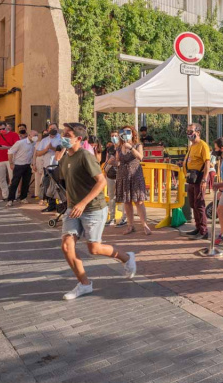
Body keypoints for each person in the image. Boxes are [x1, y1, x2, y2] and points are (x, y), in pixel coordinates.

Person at [57, 122, 137, 300]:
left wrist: (83, 203)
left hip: (92, 208)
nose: (63, 138)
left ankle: (126, 257)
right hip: (73, 208)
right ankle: (84, 284)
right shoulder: (66, 157)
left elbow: (100, 182)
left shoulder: (85, 156)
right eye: (63, 135)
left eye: (67, 136)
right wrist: (69, 205)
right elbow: (69, 182)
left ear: (78, 139)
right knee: (66, 246)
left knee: (94, 249)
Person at [112, 126, 153, 235]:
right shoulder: (119, 147)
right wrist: (113, 162)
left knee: (138, 201)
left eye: (128, 131)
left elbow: (140, 157)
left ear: (133, 133)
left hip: (135, 176)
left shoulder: (138, 145)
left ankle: (144, 225)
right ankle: (130, 226)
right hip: (123, 176)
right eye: (122, 131)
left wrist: (130, 148)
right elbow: (118, 161)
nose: (125, 133)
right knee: (127, 202)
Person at [184, 122, 211, 240]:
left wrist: (204, 179)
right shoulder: (192, 146)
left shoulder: (202, 145)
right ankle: (198, 227)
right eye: (187, 132)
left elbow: (207, 163)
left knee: (199, 204)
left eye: (191, 132)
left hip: (200, 177)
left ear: (198, 132)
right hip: (192, 178)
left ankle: (204, 230)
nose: (188, 134)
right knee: (193, 203)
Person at [5, 127, 35, 207]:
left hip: (27, 165)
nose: (35, 137)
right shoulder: (20, 143)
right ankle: (10, 199)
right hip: (18, 165)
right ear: (29, 135)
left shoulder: (34, 143)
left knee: (26, 182)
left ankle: (23, 197)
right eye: (34, 135)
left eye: (36, 135)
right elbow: (10, 152)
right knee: (15, 182)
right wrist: (11, 163)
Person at [0, 122, 18, 199]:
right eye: (0, 129)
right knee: (1, 178)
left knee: (12, 177)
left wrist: (6, 147)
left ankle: (13, 195)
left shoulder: (14, 135)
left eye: (3, 128)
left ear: (7, 127)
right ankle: (5, 195)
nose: (2, 130)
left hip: (10, 159)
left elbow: (17, 147)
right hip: (0, 159)